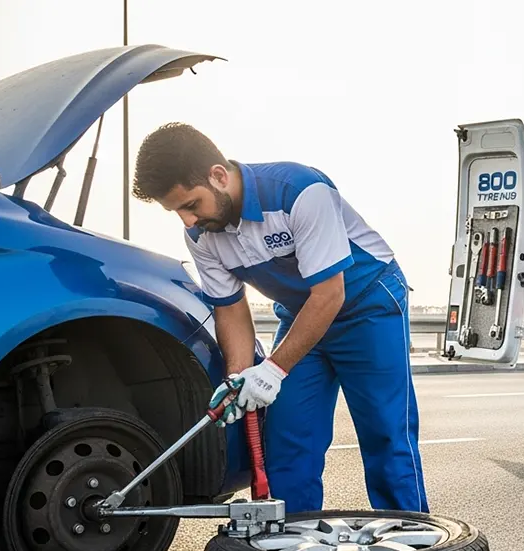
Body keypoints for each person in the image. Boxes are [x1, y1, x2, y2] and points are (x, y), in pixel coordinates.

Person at [131, 122, 428, 514]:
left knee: (385, 435)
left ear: (218, 176)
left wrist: (271, 370)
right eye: (177, 212)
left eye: (191, 205)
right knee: (290, 439)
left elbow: (329, 294)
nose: (188, 221)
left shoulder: (300, 192)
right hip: (302, 317)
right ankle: (295, 550)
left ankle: (411, 544)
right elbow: (231, 309)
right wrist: (240, 377)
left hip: (366, 306)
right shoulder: (202, 236)